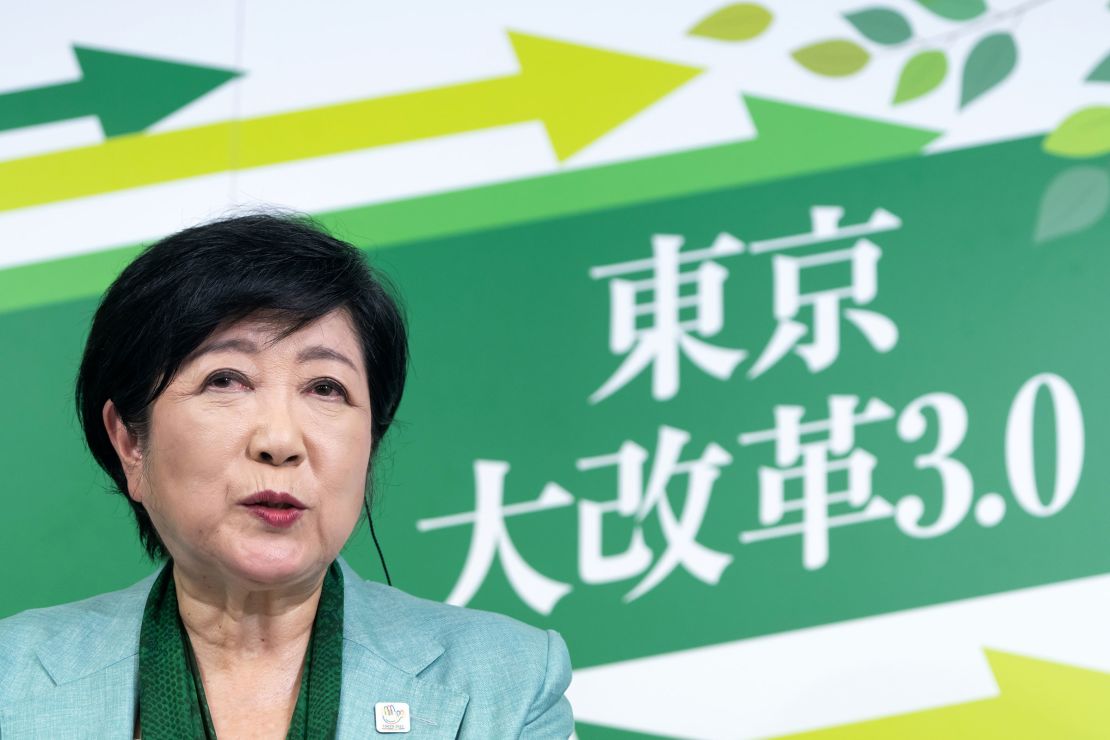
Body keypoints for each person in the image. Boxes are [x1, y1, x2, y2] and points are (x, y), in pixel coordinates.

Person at [0, 214, 573, 738]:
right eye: (225, 379)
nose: (280, 441)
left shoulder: (508, 687)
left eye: (327, 387)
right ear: (129, 441)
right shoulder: (13, 683)